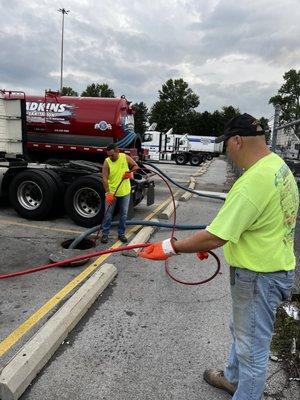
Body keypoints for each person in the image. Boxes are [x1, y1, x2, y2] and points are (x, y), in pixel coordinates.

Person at [139, 113, 299, 400]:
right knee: (242, 330)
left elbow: (216, 235)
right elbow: (242, 225)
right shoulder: (277, 167)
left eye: (227, 144)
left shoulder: (254, 182)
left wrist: (170, 247)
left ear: (237, 140)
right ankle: (232, 379)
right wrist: (209, 240)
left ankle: (244, 389)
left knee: (252, 349)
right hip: (272, 268)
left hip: (258, 276)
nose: (226, 151)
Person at [101, 143, 139, 244]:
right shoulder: (107, 162)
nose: (110, 157)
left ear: (117, 152)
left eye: (112, 155)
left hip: (125, 192)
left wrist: (130, 173)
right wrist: (108, 193)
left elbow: (136, 166)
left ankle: (121, 234)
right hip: (112, 192)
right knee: (108, 214)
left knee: (123, 214)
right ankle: (105, 234)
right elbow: (104, 178)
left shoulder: (125, 157)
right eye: (108, 155)